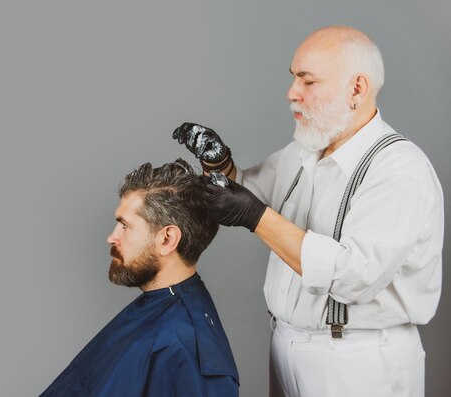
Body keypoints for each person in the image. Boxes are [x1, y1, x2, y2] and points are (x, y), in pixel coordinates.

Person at [173, 26, 443, 397]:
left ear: (357, 89)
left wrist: (255, 217)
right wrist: (219, 163)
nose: (291, 93)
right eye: (293, 78)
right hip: (286, 346)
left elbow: (354, 275)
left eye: (308, 81)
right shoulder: (304, 152)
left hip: (359, 363)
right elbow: (247, 194)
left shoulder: (399, 170)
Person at [40, 159, 239, 396]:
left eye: (125, 225)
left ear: (166, 239)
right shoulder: (161, 305)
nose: (112, 238)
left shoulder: (185, 345)